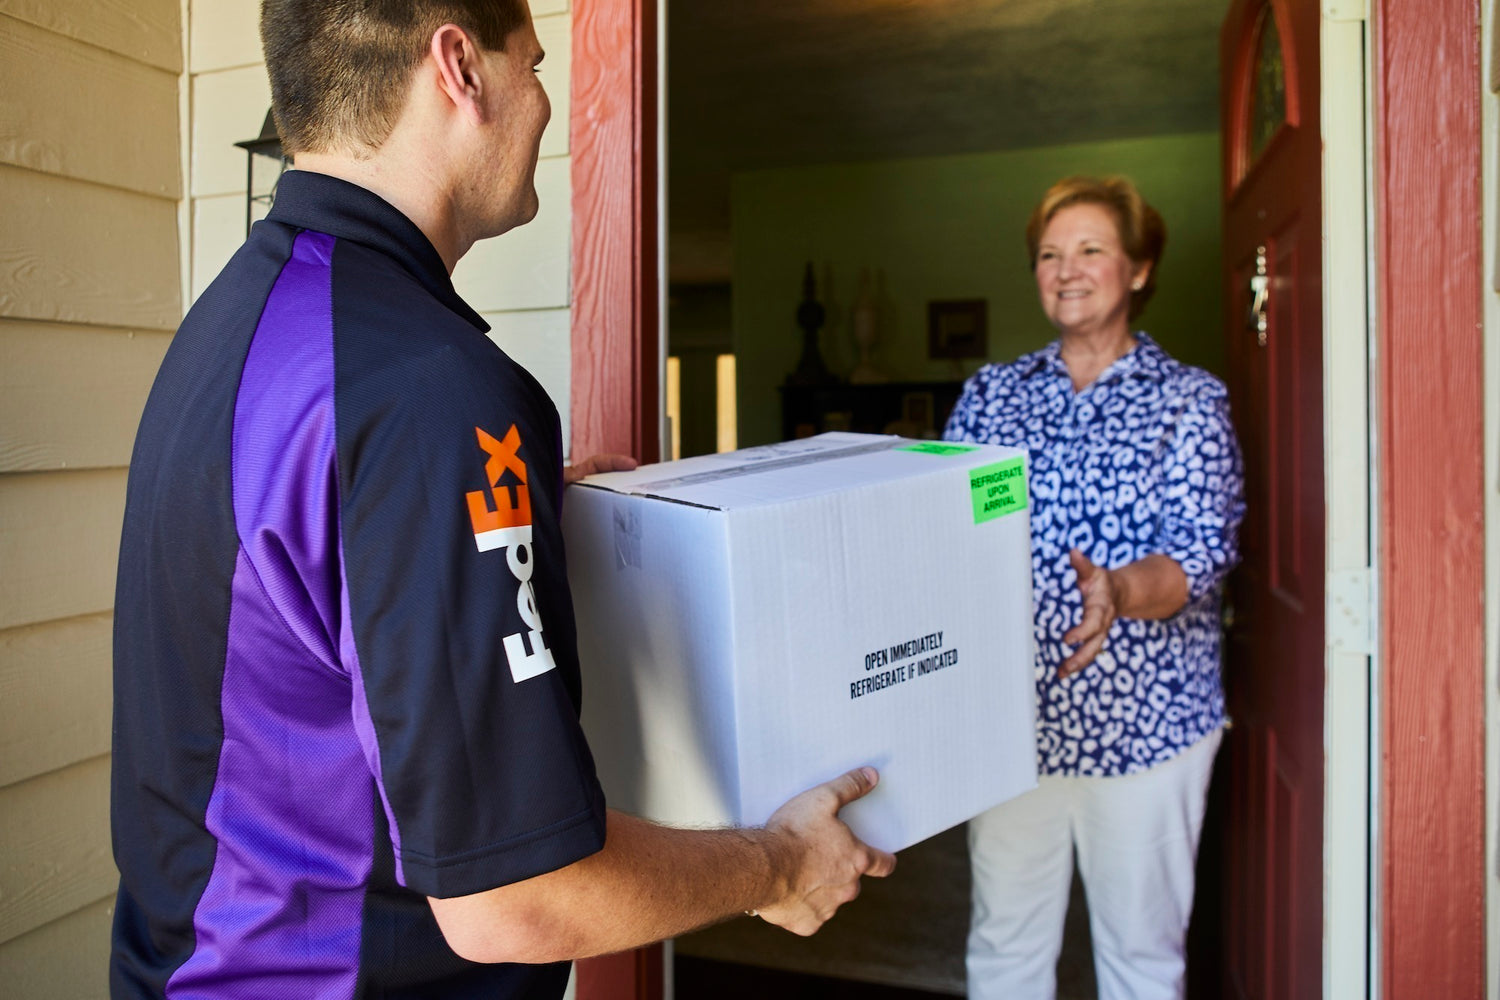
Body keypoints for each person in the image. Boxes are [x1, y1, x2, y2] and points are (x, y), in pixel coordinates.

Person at [109, 2, 894, 996]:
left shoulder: (239, 321)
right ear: (459, 67)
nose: (546, 102)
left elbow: (304, 588)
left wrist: (497, 520)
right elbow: (514, 893)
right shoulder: (428, 391)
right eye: (532, 62)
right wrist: (779, 863)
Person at [943, 175, 1245, 1000]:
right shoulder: (992, 395)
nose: (1065, 269)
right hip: (1016, 731)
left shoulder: (1189, 402)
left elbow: (1201, 554)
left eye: (1090, 250)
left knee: (1142, 960)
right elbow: (945, 537)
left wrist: (1115, 588)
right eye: (1049, 253)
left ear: (1139, 269)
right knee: (1005, 947)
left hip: (1150, 731)